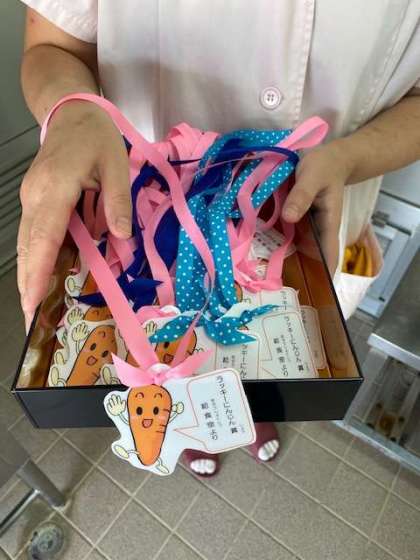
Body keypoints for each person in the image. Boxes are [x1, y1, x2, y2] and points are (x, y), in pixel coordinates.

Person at [18, 1, 420, 476]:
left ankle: (249, 409)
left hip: (310, 224)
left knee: (264, 359)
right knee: (178, 356)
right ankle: (190, 427)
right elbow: (52, 46)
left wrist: (353, 157)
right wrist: (73, 112)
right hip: (144, 220)